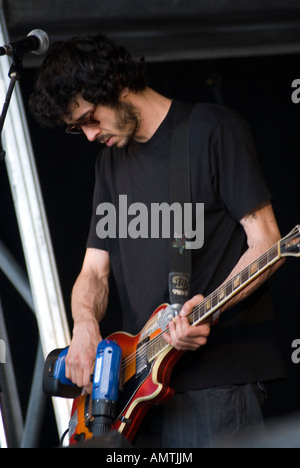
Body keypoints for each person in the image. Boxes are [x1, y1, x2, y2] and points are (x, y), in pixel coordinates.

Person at [29, 34, 286, 448]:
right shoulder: (109, 166)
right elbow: (94, 270)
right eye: (78, 129)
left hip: (214, 384)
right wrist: (84, 325)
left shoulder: (211, 131)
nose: (91, 135)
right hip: (138, 392)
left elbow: (267, 243)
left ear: (114, 84)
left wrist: (209, 308)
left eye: (91, 118)